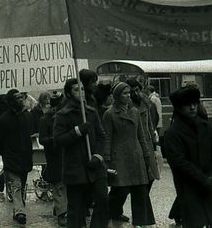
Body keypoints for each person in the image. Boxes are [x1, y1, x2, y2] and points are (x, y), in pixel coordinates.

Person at [54, 78, 109, 228]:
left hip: (95, 166)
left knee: (103, 199)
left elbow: (101, 136)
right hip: (75, 168)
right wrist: (77, 131)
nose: (81, 92)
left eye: (82, 89)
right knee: (76, 208)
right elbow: (58, 140)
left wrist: (98, 156)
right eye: (76, 90)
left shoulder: (92, 112)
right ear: (68, 93)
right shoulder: (62, 115)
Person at [164, 86, 212, 228]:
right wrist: (204, 179)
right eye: (188, 104)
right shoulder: (172, 133)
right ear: (179, 107)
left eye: (195, 103)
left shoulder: (206, 127)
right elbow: (179, 163)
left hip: (209, 185)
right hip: (188, 187)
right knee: (194, 222)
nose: (193, 107)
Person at [102, 82, 155, 226]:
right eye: (124, 93)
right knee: (120, 189)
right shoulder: (110, 114)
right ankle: (109, 213)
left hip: (136, 154)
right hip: (119, 156)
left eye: (128, 93)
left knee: (140, 189)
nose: (128, 96)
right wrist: (107, 159)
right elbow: (107, 138)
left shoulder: (135, 112)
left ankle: (141, 220)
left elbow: (141, 136)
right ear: (117, 96)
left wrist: (146, 155)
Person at [0, 89, 33, 225]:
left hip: (25, 156)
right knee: (16, 185)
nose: (20, 100)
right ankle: (20, 212)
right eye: (17, 98)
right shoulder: (3, 119)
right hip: (11, 156)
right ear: (11, 102)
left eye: (21, 97)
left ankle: (17, 210)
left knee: (22, 185)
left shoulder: (27, 116)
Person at [39, 90, 67, 227]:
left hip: (67, 155)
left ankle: (60, 208)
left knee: (65, 185)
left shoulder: (67, 118)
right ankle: (62, 213)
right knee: (59, 185)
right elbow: (42, 139)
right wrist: (55, 139)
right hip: (54, 157)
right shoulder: (45, 120)